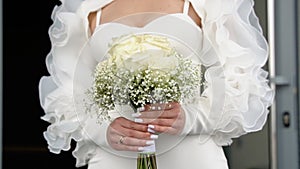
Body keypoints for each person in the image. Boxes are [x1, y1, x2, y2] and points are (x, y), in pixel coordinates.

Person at [39, 0, 274, 168]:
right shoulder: (86, 9)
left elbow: (241, 78)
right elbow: (68, 94)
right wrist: (104, 131)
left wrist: (192, 117)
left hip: (191, 156)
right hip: (115, 157)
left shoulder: (210, 4)